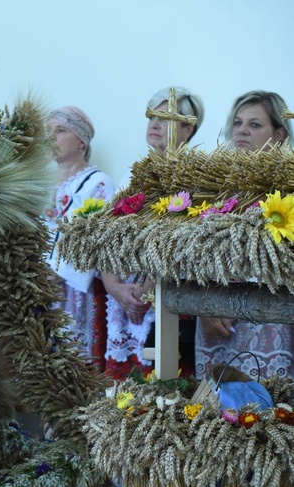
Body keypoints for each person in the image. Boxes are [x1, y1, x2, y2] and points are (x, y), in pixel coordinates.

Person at [102, 87, 205, 379]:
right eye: (151, 117)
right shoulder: (131, 175)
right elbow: (104, 233)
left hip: (167, 297)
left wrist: (147, 287)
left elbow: (182, 239)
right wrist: (113, 285)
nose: (155, 124)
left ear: (187, 128)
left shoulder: (197, 176)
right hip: (126, 298)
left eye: (164, 117)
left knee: (165, 392)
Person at [196, 90, 294, 379]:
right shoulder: (213, 186)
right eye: (238, 122)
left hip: (271, 320)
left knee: (269, 411)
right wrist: (204, 307)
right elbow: (194, 256)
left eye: (254, 124)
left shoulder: (290, 186)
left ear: (278, 133)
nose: (241, 130)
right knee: (212, 416)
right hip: (216, 320)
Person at [45, 106, 114, 371]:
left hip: (71, 289)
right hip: (37, 286)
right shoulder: (39, 183)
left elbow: (90, 239)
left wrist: (51, 273)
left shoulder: (99, 183)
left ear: (82, 141)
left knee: (72, 363)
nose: (52, 137)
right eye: (48, 131)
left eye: (60, 130)